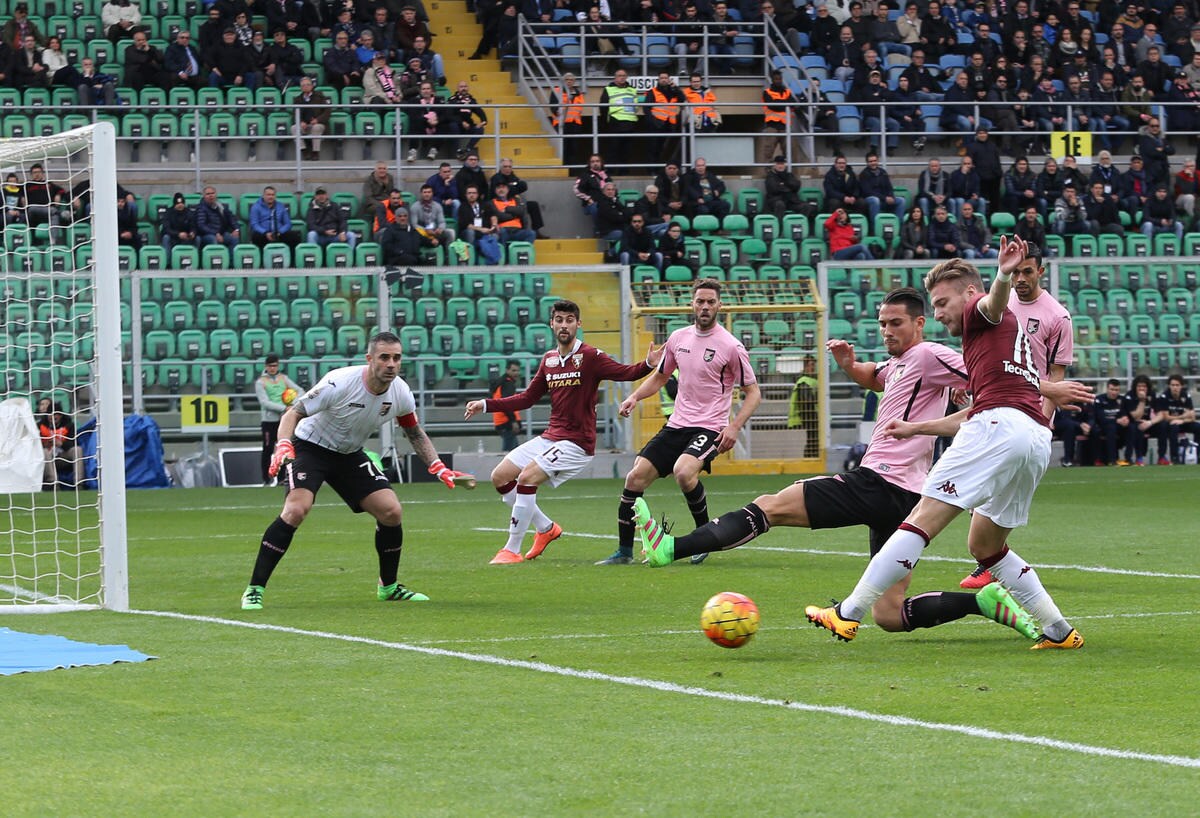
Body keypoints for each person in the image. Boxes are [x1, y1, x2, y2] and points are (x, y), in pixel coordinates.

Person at [636, 287, 1043, 642]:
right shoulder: (900, 362)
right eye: (882, 324)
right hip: (905, 498)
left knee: (770, 506)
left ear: (920, 323)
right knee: (889, 614)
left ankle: (672, 548)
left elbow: (992, 375)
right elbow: (875, 376)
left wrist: (1043, 390)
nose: (886, 331)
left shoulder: (930, 354)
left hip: (880, 482)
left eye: (896, 323)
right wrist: (848, 364)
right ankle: (984, 602)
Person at [804, 237, 1091, 650]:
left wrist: (1002, 274)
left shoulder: (980, 311)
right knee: (985, 545)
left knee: (920, 520)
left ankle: (847, 613)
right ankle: (1059, 631)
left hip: (998, 428)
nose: (937, 314)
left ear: (968, 293)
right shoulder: (1008, 335)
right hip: (1033, 437)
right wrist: (917, 428)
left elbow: (991, 304)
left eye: (942, 303)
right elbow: (976, 411)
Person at [240, 332, 473, 610]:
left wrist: (438, 467)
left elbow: (414, 432)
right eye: (384, 357)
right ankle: (254, 589)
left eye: (396, 358)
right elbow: (293, 413)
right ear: (369, 358)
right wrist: (283, 445)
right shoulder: (339, 382)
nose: (391, 364)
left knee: (391, 511)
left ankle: (389, 587)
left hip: (349, 454)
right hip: (309, 447)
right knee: (296, 510)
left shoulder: (400, 392)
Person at [463, 300, 662, 564]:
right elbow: (527, 398)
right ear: (552, 324)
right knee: (500, 476)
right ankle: (546, 528)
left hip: (577, 443)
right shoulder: (549, 359)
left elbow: (626, 373)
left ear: (578, 324)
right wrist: (486, 404)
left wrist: (648, 363)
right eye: (559, 320)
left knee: (527, 478)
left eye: (569, 320)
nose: (564, 325)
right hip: (551, 437)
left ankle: (512, 549)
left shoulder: (590, 356)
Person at [608, 278, 762, 565]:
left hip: (710, 426)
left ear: (719, 305)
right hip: (677, 425)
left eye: (711, 302)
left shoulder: (731, 346)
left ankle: (705, 539)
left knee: (683, 472)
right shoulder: (678, 338)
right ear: (692, 304)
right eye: (700, 301)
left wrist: (734, 426)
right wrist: (634, 397)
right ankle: (624, 553)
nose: (705, 307)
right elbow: (660, 376)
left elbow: (753, 392)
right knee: (635, 477)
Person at [960, 241, 1074, 588]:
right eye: (1017, 272)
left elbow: (1056, 376)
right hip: (992, 403)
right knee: (978, 487)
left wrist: (1044, 420)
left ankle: (989, 562)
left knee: (996, 488)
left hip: (1027, 413)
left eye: (1027, 272)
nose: (1021, 278)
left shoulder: (1057, 316)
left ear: (1041, 271)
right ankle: (991, 561)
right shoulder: (1000, 300)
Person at [254, 354, 302, 485]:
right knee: (268, 449)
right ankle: (266, 479)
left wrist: (293, 405)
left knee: (284, 449)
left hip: (283, 420)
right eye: (270, 366)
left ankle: (282, 479)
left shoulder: (283, 378)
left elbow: (300, 391)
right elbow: (264, 402)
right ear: (266, 366)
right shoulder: (261, 382)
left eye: (274, 365)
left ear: (278, 365)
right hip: (268, 421)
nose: (272, 368)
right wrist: (284, 408)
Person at [489, 159, 547, 239]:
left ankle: (536, 231)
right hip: (500, 204)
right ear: (501, 167)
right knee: (520, 210)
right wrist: (515, 187)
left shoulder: (513, 176)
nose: (507, 169)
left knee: (533, 205)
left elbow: (524, 186)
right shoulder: (496, 178)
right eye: (505, 166)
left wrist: (513, 187)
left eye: (509, 167)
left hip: (515, 202)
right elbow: (505, 192)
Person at [36, 398, 82, 489]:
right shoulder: (40, 425)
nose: (52, 417)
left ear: (60, 415)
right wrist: (45, 444)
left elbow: (74, 443)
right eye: (50, 414)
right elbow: (35, 445)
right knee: (44, 452)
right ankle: (52, 483)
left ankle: (79, 483)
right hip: (48, 458)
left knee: (77, 450)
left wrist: (61, 444)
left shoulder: (69, 425)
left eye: (55, 414)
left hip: (63, 456)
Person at [1154, 374, 1199, 464]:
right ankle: (1174, 457)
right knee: (1173, 427)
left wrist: (1182, 420)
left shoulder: (1186, 396)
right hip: (1169, 424)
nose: (1175, 387)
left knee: (1198, 427)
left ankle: (1197, 455)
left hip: (1182, 422)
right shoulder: (1164, 397)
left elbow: (1193, 417)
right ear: (1169, 386)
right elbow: (1166, 417)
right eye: (1173, 385)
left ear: (1181, 386)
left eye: (1177, 385)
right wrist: (1182, 416)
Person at [1119, 375, 1161, 466]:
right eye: (1139, 386)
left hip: (1147, 423)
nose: (1141, 389)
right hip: (1131, 423)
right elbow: (1136, 417)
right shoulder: (1129, 396)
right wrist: (1142, 401)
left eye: (1144, 386)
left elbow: (1161, 414)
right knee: (1136, 427)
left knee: (1163, 425)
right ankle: (1133, 458)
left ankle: (1162, 457)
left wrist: (1150, 422)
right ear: (1135, 387)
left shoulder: (1152, 394)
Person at [455, 185, 501, 264]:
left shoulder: (485, 205)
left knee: (495, 234)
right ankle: (475, 257)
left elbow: (493, 216)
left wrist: (494, 225)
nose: (471, 195)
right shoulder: (462, 207)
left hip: (485, 232)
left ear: (477, 194)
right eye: (469, 193)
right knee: (470, 232)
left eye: (474, 193)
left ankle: (492, 258)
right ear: (466, 195)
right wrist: (481, 229)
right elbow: (465, 224)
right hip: (470, 232)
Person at [550, 72, 587, 167]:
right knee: (563, 149)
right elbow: (552, 106)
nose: (569, 81)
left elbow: (579, 108)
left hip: (575, 124)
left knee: (574, 149)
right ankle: (563, 168)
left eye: (571, 80)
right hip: (561, 124)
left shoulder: (579, 93)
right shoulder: (557, 91)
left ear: (574, 81)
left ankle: (572, 170)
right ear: (563, 81)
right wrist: (556, 111)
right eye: (567, 79)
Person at [859, 151, 906, 221]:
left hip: (884, 200)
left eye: (875, 160)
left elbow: (889, 187)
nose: (873, 163)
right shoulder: (863, 174)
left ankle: (898, 225)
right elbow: (868, 192)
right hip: (871, 200)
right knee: (875, 200)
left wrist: (891, 196)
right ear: (867, 163)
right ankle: (875, 226)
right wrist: (884, 198)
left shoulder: (883, 172)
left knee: (901, 201)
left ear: (878, 161)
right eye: (870, 161)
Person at [787, 356, 820, 458]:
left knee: (813, 440)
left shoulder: (810, 381)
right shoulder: (804, 381)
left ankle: (810, 458)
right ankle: (810, 459)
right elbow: (807, 401)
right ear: (805, 367)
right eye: (811, 365)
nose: (813, 367)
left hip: (812, 415)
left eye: (814, 365)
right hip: (810, 415)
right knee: (813, 440)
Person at [491, 360, 523, 452]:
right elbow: (506, 404)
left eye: (517, 370)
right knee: (508, 453)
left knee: (514, 451)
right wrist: (513, 421)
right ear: (507, 370)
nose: (516, 373)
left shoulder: (501, 382)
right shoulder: (508, 384)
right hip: (506, 422)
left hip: (500, 420)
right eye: (513, 370)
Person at [763, 155, 807, 222]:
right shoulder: (770, 176)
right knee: (780, 204)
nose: (780, 166)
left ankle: (797, 224)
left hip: (790, 201)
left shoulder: (789, 175)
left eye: (782, 164)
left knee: (806, 206)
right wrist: (788, 188)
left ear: (785, 165)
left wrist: (784, 184)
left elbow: (796, 186)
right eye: (778, 164)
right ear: (774, 165)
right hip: (776, 200)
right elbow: (773, 189)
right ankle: (779, 226)